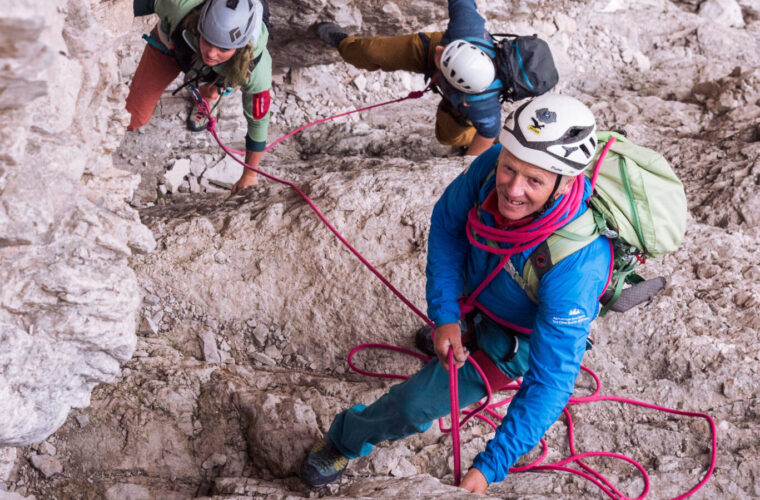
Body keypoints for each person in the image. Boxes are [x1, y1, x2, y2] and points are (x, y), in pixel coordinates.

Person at [299, 94, 612, 493]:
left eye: (534, 180)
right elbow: (447, 226)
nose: (513, 189)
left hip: (513, 341)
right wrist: (445, 315)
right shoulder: (490, 165)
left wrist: (488, 468)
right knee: (446, 331)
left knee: (414, 406)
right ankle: (454, 334)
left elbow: (550, 383)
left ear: (565, 182)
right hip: (476, 293)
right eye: (509, 169)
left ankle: (343, 440)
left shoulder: (576, 266)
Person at [314, 0, 549, 156]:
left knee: (447, 136)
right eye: (444, 51)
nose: (439, 51)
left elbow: (486, 135)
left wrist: (468, 166)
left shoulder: (483, 107)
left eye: (442, 57)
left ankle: (468, 138)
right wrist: (442, 58)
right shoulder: (465, 29)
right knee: (371, 52)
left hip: (457, 102)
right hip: (443, 54)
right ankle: (343, 42)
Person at [126, 0, 273, 193]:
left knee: (215, 86)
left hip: (224, 72)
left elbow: (258, 122)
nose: (211, 53)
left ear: (241, 47)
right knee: (134, 116)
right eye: (208, 41)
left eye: (223, 48)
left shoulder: (256, 69)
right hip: (170, 46)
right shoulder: (179, 5)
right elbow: (126, 5)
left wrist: (250, 174)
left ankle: (205, 97)